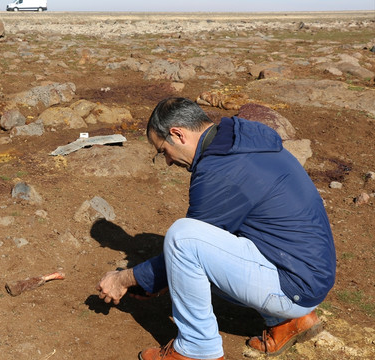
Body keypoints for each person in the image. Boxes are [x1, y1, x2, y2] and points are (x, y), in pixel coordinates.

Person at [96, 97, 336, 360]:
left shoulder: (219, 170)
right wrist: (155, 278)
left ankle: (197, 350)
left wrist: (124, 279)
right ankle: (289, 322)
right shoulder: (240, 142)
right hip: (308, 273)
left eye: (163, 150)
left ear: (177, 134)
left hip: (295, 288)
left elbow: (188, 248)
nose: (166, 161)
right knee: (197, 247)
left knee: (182, 238)